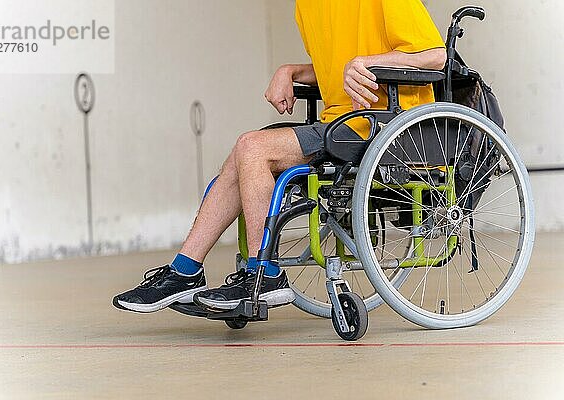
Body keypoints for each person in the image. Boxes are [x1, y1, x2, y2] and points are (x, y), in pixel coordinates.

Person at [113, 0, 447, 314]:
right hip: (342, 124)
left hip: (389, 124)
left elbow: (434, 55)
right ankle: (185, 271)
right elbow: (332, 70)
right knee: (240, 157)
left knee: (252, 147)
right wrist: (291, 71)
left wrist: (369, 63)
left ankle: (264, 274)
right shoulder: (306, 8)